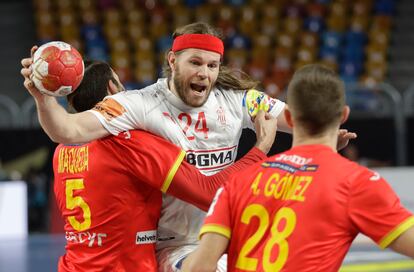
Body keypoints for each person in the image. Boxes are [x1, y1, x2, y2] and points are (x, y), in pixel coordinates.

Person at [21, 22, 356, 271]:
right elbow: (68, 130)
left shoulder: (239, 101)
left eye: (212, 66)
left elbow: (296, 118)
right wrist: (44, 97)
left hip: (229, 234)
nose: (204, 74)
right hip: (175, 246)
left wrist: (325, 136)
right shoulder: (138, 104)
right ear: (172, 61)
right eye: (195, 63)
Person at [181, 64, 414, 272]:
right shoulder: (356, 183)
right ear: (344, 115)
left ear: (290, 118)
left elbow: (198, 267)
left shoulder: (238, 182)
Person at [53, 60, 278, 271]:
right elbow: (209, 192)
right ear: (113, 89)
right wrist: (261, 148)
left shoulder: (62, 150)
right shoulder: (129, 143)